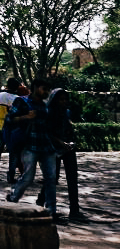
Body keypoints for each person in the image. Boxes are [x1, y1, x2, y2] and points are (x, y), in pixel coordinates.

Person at [5, 78, 63, 222]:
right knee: (28, 177)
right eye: (44, 89)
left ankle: (51, 210)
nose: (46, 92)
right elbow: (9, 119)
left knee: (51, 178)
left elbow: (47, 127)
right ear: (36, 87)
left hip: (46, 146)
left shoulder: (45, 105)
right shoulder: (22, 101)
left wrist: (60, 143)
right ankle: (13, 199)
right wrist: (26, 117)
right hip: (29, 145)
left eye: (48, 90)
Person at [38, 88, 87, 222]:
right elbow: (47, 133)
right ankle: (41, 201)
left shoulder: (66, 113)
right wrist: (61, 143)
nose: (64, 102)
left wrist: (70, 143)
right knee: (52, 178)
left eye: (65, 99)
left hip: (68, 149)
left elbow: (68, 129)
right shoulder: (48, 113)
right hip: (53, 149)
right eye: (61, 99)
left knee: (72, 179)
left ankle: (74, 210)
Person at [0, 77, 22, 183]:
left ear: (7, 85)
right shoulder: (18, 99)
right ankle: (11, 176)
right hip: (12, 130)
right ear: (17, 87)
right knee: (13, 153)